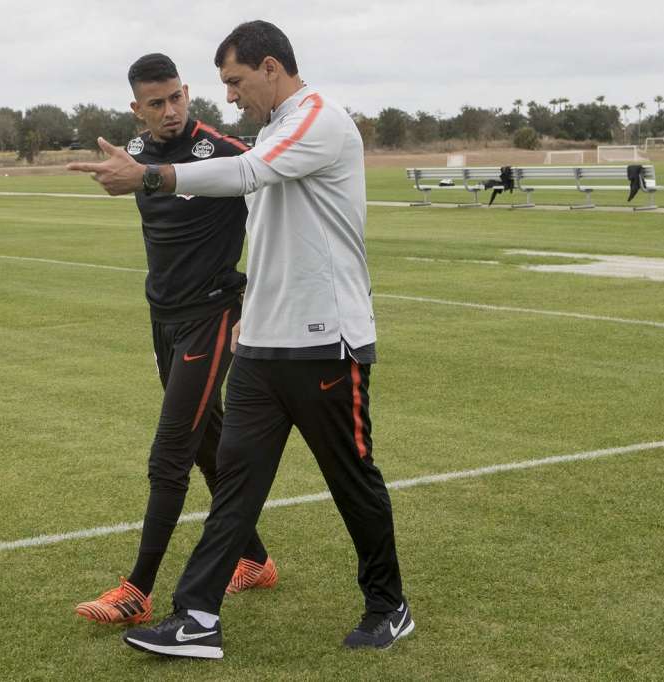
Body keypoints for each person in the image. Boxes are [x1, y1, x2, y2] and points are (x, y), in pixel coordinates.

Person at [68, 21, 412, 659]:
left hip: (325, 341)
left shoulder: (319, 119)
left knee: (351, 479)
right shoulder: (276, 125)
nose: (227, 96)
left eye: (234, 81)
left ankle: (388, 604)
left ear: (271, 68)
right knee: (235, 481)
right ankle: (197, 615)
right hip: (260, 340)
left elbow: (250, 173)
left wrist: (150, 177)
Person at [72, 53, 277, 627]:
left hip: (212, 317)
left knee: (170, 454)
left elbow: (273, 218)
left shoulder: (225, 151)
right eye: (155, 104)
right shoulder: (133, 156)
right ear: (136, 109)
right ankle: (255, 560)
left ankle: (137, 591)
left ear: (187, 92)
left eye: (176, 98)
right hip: (162, 318)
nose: (169, 112)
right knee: (206, 438)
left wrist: (252, 301)